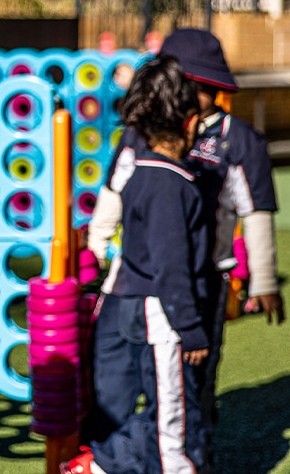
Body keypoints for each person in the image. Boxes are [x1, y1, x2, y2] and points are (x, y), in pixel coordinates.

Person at [84, 29, 284, 453]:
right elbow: (114, 190)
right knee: (111, 381)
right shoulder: (143, 132)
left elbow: (256, 211)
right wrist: (97, 243)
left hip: (197, 282)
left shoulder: (237, 139)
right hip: (129, 282)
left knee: (190, 387)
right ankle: (103, 456)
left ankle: (192, 451)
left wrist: (264, 280)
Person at [63, 55, 210, 474]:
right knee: (171, 423)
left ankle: (102, 464)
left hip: (140, 306)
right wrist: (191, 326)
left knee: (164, 411)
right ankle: (102, 467)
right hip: (162, 318)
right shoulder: (170, 182)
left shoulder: (140, 172)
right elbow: (170, 265)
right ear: (186, 122)